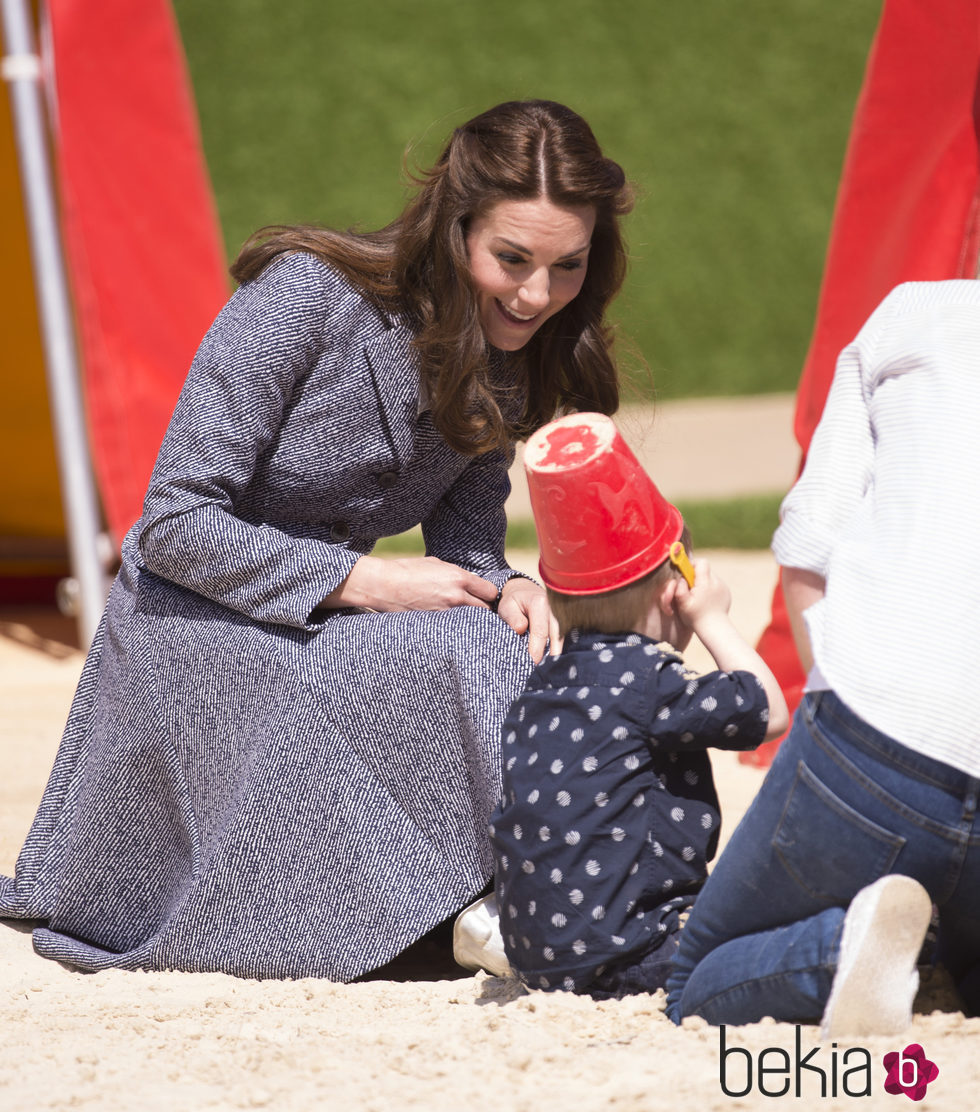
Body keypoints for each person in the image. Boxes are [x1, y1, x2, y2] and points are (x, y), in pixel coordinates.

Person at [0, 100, 636, 981]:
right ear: (456, 232)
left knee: (507, 638)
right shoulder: (303, 296)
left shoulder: (514, 352)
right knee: (453, 644)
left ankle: (561, 892)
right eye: (512, 259)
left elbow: (467, 549)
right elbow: (174, 521)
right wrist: (366, 582)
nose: (536, 294)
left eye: (568, 267)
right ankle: (521, 903)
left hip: (331, 615)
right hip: (192, 621)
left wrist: (509, 585)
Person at [666, 280, 980, 1038]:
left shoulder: (913, 314)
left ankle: (838, 950)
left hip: (877, 745)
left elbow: (808, 555)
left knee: (697, 978)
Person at [456, 412, 787, 994]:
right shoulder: (646, 681)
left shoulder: (544, 683)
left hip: (539, 953)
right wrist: (711, 618)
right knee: (764, 922)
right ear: (671, 591)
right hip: (633, 949)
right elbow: (767, 709)